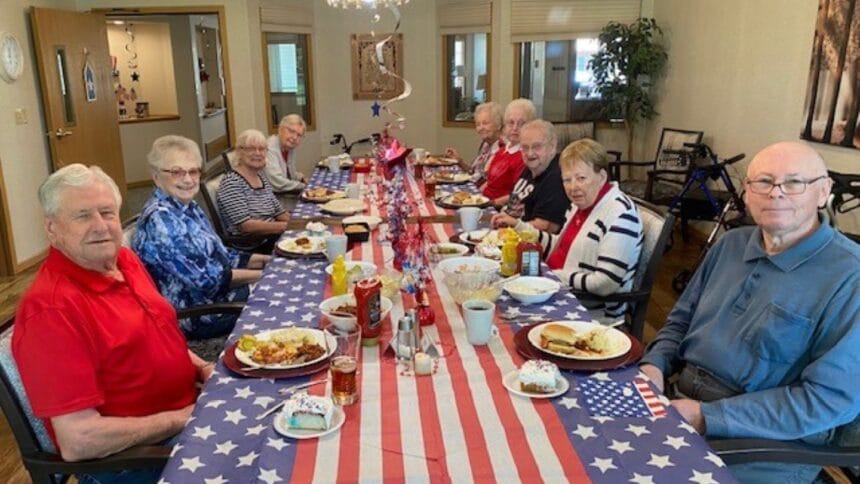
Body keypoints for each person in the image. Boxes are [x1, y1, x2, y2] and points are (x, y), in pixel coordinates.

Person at [639, 141, 860, 483]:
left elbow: (827, 402)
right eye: (764, 181)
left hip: (762, 446)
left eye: (793, 182)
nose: (776, 193)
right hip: (678, 404)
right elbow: (679, 321)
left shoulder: (850, 277)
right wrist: (655, 364)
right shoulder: (730, 245)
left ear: (823, 191)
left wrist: (707, 417)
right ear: (746, 193)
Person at [13, 164, 211, 481]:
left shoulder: (123, 260)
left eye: (107, 212)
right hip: (135, 459)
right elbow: (79, 440)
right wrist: (184, 418)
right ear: (51, 228)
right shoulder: (50, 311)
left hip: (185, 413)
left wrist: (203, 368)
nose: (100, 226)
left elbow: (156, 335)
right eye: (82, 216)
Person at [133, 135, 270, 355]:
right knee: (276, 301)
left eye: (193, 171)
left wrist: (266, 261)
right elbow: (209, 281)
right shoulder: (161, 221)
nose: (188, 179)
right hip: (197, 313)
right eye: (177, 172)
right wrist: (265, 275)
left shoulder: (187, 206)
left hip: (217, 296)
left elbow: (221, 254)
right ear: (157, 177)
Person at [494, 139, 642, 323]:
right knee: (493, 291)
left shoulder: (620, 213)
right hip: (556, 292)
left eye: (581, 178)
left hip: (588, 313)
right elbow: (561, 246)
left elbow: (606, 283)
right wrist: (518, 226)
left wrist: (554, 277)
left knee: (500, 321)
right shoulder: (582, 204)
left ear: (602, 177)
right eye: (567, 179)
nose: (573, 187)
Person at [217, 129, 290, 253]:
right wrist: (284, 227)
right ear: (239, 152)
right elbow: (246, 225)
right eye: (251, 149)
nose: (258, 153)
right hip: (253, 246)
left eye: (262, 149)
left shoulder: (260, 177)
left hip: (271, 236)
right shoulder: (232, 182)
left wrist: (301, 222)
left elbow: (278, 212)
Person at [491, 119, 569, 233]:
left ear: (552, 146)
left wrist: (512, 226)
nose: (530, 153)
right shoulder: (532, 167)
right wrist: (503, 217)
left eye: (537, 147)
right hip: (511, 232)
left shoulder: (556, 177)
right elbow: (515, 204)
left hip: (531, 247)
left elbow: (547, 227)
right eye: (525, 147)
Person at [480, 98, 536, 206]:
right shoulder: (503, 150)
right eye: (511, 123)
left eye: (521, 123)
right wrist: (476, 195)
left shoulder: (524, 157)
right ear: (505, 126)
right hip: (484, 202)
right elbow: (489, 182)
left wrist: (490, 204)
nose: (515, 128)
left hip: (498, 208)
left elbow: (517, 194)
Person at [444, 101, 504, 179]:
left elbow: (486, 180)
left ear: (498, 125)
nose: (481, 128)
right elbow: (473, 171)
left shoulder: (502, 148)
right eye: (478, 124)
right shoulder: (485, 144)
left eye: (485, 123)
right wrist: (459, 161)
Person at [265, 114, 307, 210]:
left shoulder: (289, 148)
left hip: (285, 197)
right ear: (280, 129)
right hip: (274, 203)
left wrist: (301, 177)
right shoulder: (269, 148)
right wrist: (305, 186)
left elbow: (289, 173)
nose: (294, 137)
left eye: (299, 135)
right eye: (291, 131)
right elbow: (278, 182)